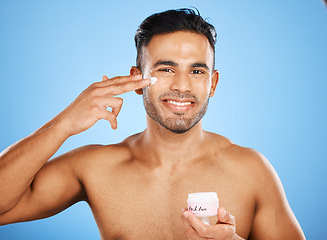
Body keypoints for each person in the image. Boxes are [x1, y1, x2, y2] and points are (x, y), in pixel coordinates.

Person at [0, 8, 305, 240]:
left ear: (212, 83)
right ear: (137, 79)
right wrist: (64, 124)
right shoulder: (95, 168)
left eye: (197, 72)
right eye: (166, 69)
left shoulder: (252, 171)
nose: (183, 86)